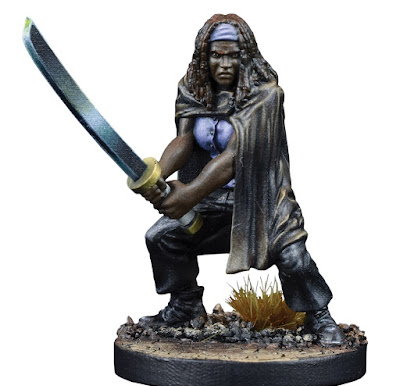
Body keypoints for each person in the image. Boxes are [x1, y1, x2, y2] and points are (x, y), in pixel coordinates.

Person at [130, 14, 345, 345]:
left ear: (246, 56)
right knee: (162, 237)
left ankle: (319, 316)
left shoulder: (265, 96)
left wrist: (187, 195)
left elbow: (233, 157)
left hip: (262, 199)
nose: (225, 64)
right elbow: (184, 140)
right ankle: (185, 306)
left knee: (293, 258)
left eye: (233, 56)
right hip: (212, 200)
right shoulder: (193, 88)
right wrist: (157, 174)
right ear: (205, 57)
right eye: (217, 56)